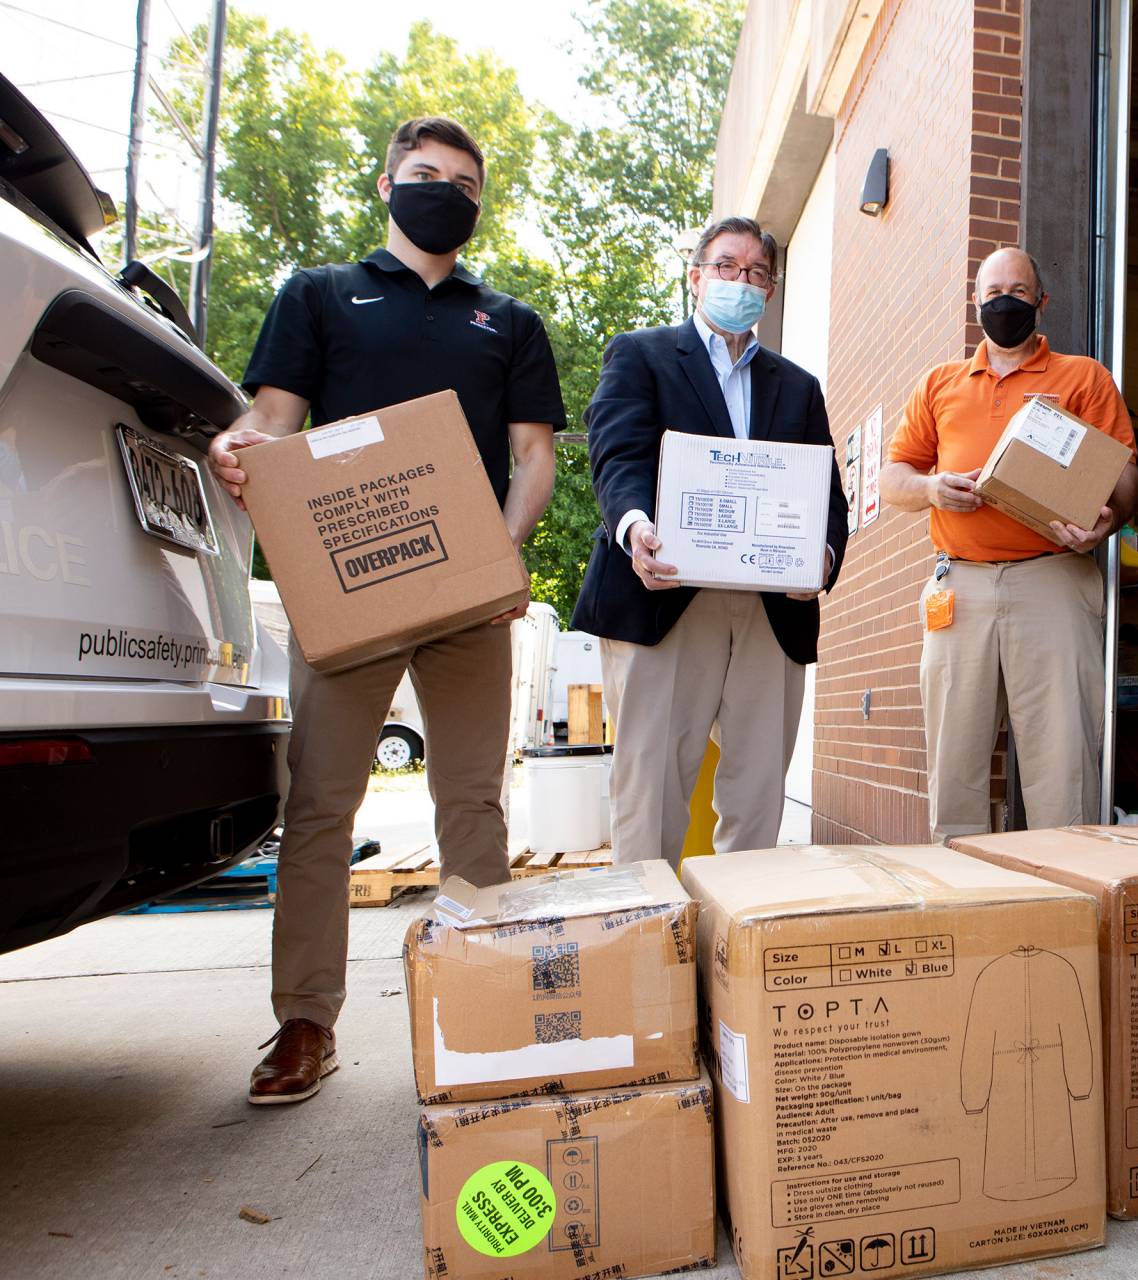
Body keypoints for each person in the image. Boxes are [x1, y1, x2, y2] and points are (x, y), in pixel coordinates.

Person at [208, 117, 566, 1104]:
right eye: (424, 174)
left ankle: (486, 1004)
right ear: (387, 185)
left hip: (464, 599)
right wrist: (234, 447)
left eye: (463, 182)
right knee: (322, 802)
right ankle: (305, 1021)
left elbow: (534, 455)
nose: (443, 190)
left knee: (473, 804)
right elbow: (271, 423)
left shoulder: (508, 320)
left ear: (479, 203)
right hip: (349, 588)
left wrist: (500, 553)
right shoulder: (321, 294)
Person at [571, 215, 849, 866]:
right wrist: (635, 528)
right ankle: (650, 924)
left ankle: (739, 925)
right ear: (696, 276)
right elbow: (618, 456)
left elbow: (827, 494)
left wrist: (821, 557)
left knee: (758, 795)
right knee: (652, 792)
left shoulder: (798, 387)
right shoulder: (640, 355)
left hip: (771, 609)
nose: (740, 280)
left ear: (770, 290)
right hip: (664, 594)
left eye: (756, 272)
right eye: (726, 265)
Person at [880, 247, 1137, 841]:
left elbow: (1124, 471)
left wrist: (1108, 520)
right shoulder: (939, 383)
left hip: (1054, 579)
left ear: (1041, 302)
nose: (1005, 302)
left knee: (1064, 759)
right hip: (959, 586)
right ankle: (959, 886)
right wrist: (932, 488)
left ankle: (1070, 883)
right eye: (993, 292)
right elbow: (893, 478)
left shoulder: (1084, 377)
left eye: (1018, 292)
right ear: (975, 303)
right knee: (954, 762)